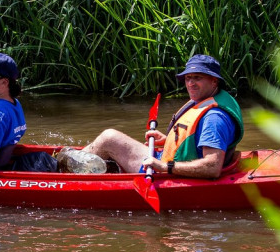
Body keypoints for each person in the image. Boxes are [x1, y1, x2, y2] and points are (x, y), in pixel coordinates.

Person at [80, 54, 243, 178]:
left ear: (214, 81)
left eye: (197, 78)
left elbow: (212, 167)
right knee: (108, 140)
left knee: (108, 139)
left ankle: (61, 172)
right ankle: (67, 164)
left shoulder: (214, 118)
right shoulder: (210, 99)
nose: (190, 83)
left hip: (163, 172)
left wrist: (166, 167)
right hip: (166, 160)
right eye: (188, 78)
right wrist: (168, 140)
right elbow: (199, 141)